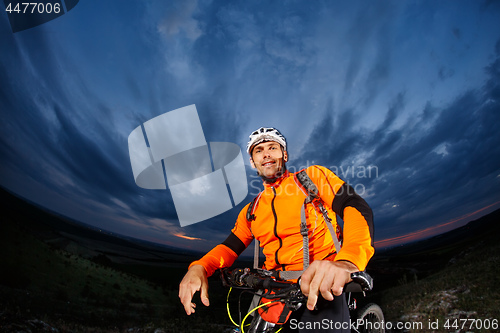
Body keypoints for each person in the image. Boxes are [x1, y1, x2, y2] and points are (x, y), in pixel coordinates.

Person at [179, 127, 374, 332]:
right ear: (253, 161)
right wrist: (199, 267)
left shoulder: (311, 179)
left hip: (321, 283)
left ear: (285, 154)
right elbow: (229, 247)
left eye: (273, 147)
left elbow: (354, 205)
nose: (266, 154)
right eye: (259, 150)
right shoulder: (252, 210)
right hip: (273, 291)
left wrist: (347, 261)